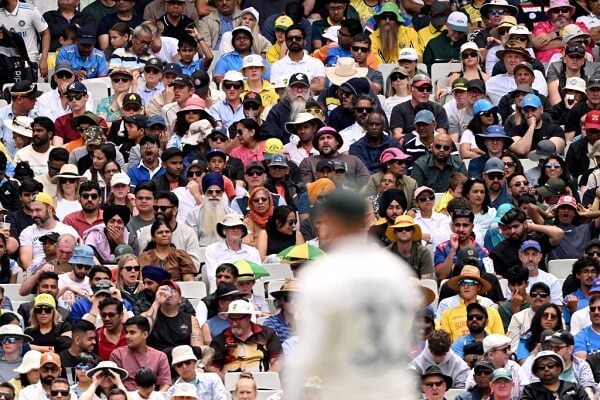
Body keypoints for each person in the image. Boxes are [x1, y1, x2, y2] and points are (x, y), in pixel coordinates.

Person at [208, 299, 282, 379]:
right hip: (231, 388)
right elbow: (212, 368)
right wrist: (228, 383)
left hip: (263, 385)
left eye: (238, 319)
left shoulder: (267, 334)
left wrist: (265, 380)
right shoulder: (220, 339)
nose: (234, 323)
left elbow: (278, 361)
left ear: (248, 317)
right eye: (231, 319)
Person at [19, 192, 80, 270]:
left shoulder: (68, 230)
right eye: (32, 211)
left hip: (63, 273)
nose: (34, 215)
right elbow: (26, 263)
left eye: (38, 210)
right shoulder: (27, 232)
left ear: (49, 209)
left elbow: (77, 258)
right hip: (37, 275)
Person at [109, 316, 171, 391]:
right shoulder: (117, 354)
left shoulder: (160, 356)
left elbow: (165, 384)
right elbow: (114, 384)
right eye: (126, 332)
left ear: (145, 334)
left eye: (132, 332)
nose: (127, 336)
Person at [390, 74, 449, 140]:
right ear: (411, 88)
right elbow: (397, 136)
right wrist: (419, 137)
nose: (425, 92)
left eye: (428, 89)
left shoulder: (439, 109)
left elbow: (442, 136)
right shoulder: (399, 109)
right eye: (421, 89)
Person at [521, 350, 589, 400]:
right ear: (536, 372)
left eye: (550, 366)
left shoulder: (575, 388)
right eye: (542, 367)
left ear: (559, 368)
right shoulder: (530, 390)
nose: (546, 369)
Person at [387, 215, 434, 279]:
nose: (404, 231)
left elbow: (426, 281)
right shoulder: (385, 253)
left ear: (413, 232)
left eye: (408, 228)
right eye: (399, 229)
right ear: (394, 232)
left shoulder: (424, 253)